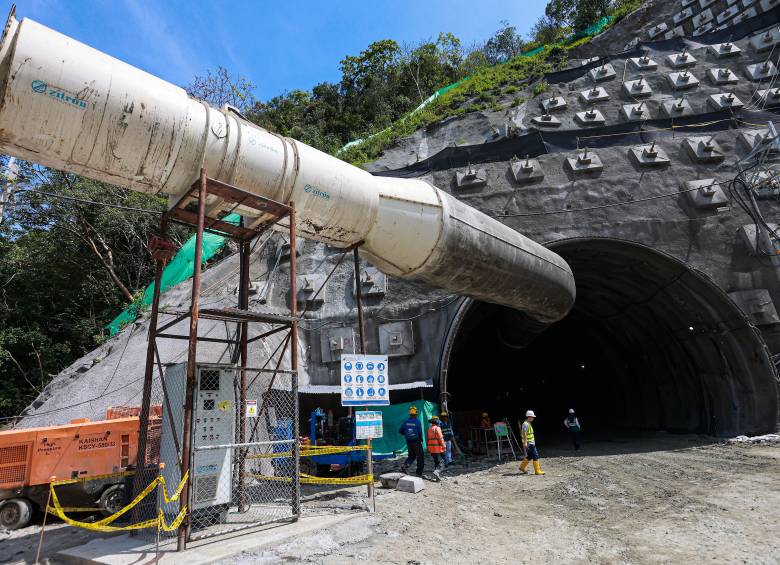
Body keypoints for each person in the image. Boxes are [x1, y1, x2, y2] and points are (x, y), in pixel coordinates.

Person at [399, 405, 424, 476]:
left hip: (409, 441)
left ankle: (405, 465)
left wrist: (407, 434)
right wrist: (420, 439)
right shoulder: (417, 421)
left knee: (412, 456)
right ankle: (419, 473)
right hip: (416, 441)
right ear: (416, 414)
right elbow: (419, 433)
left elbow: (401, 431)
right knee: (420, 456)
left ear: (410, 414)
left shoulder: (406, 422)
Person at [519, 410, 545, 475]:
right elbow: (524, 433)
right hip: (529, 443)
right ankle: (537, 471)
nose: (533, 418)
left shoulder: (528, 423)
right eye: (532, 417)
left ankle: (522, 467)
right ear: (529, 417)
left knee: (530, 456)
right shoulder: (526, 424)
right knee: (535, 455)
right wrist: (525, 443)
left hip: (530, 443)